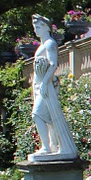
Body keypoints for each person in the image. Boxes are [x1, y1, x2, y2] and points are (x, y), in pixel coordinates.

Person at [28, 15, 78, 161]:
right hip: (40, 86)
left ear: (46, 28)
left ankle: (47, 147)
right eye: (34, 27)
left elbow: (53, 64)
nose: (35, 30)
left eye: (38, 27)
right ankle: (52, 145)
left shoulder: (49, 44)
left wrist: (44, 83)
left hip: (46, 86)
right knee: (48, 118)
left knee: (37, 115)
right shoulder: (42, 45)